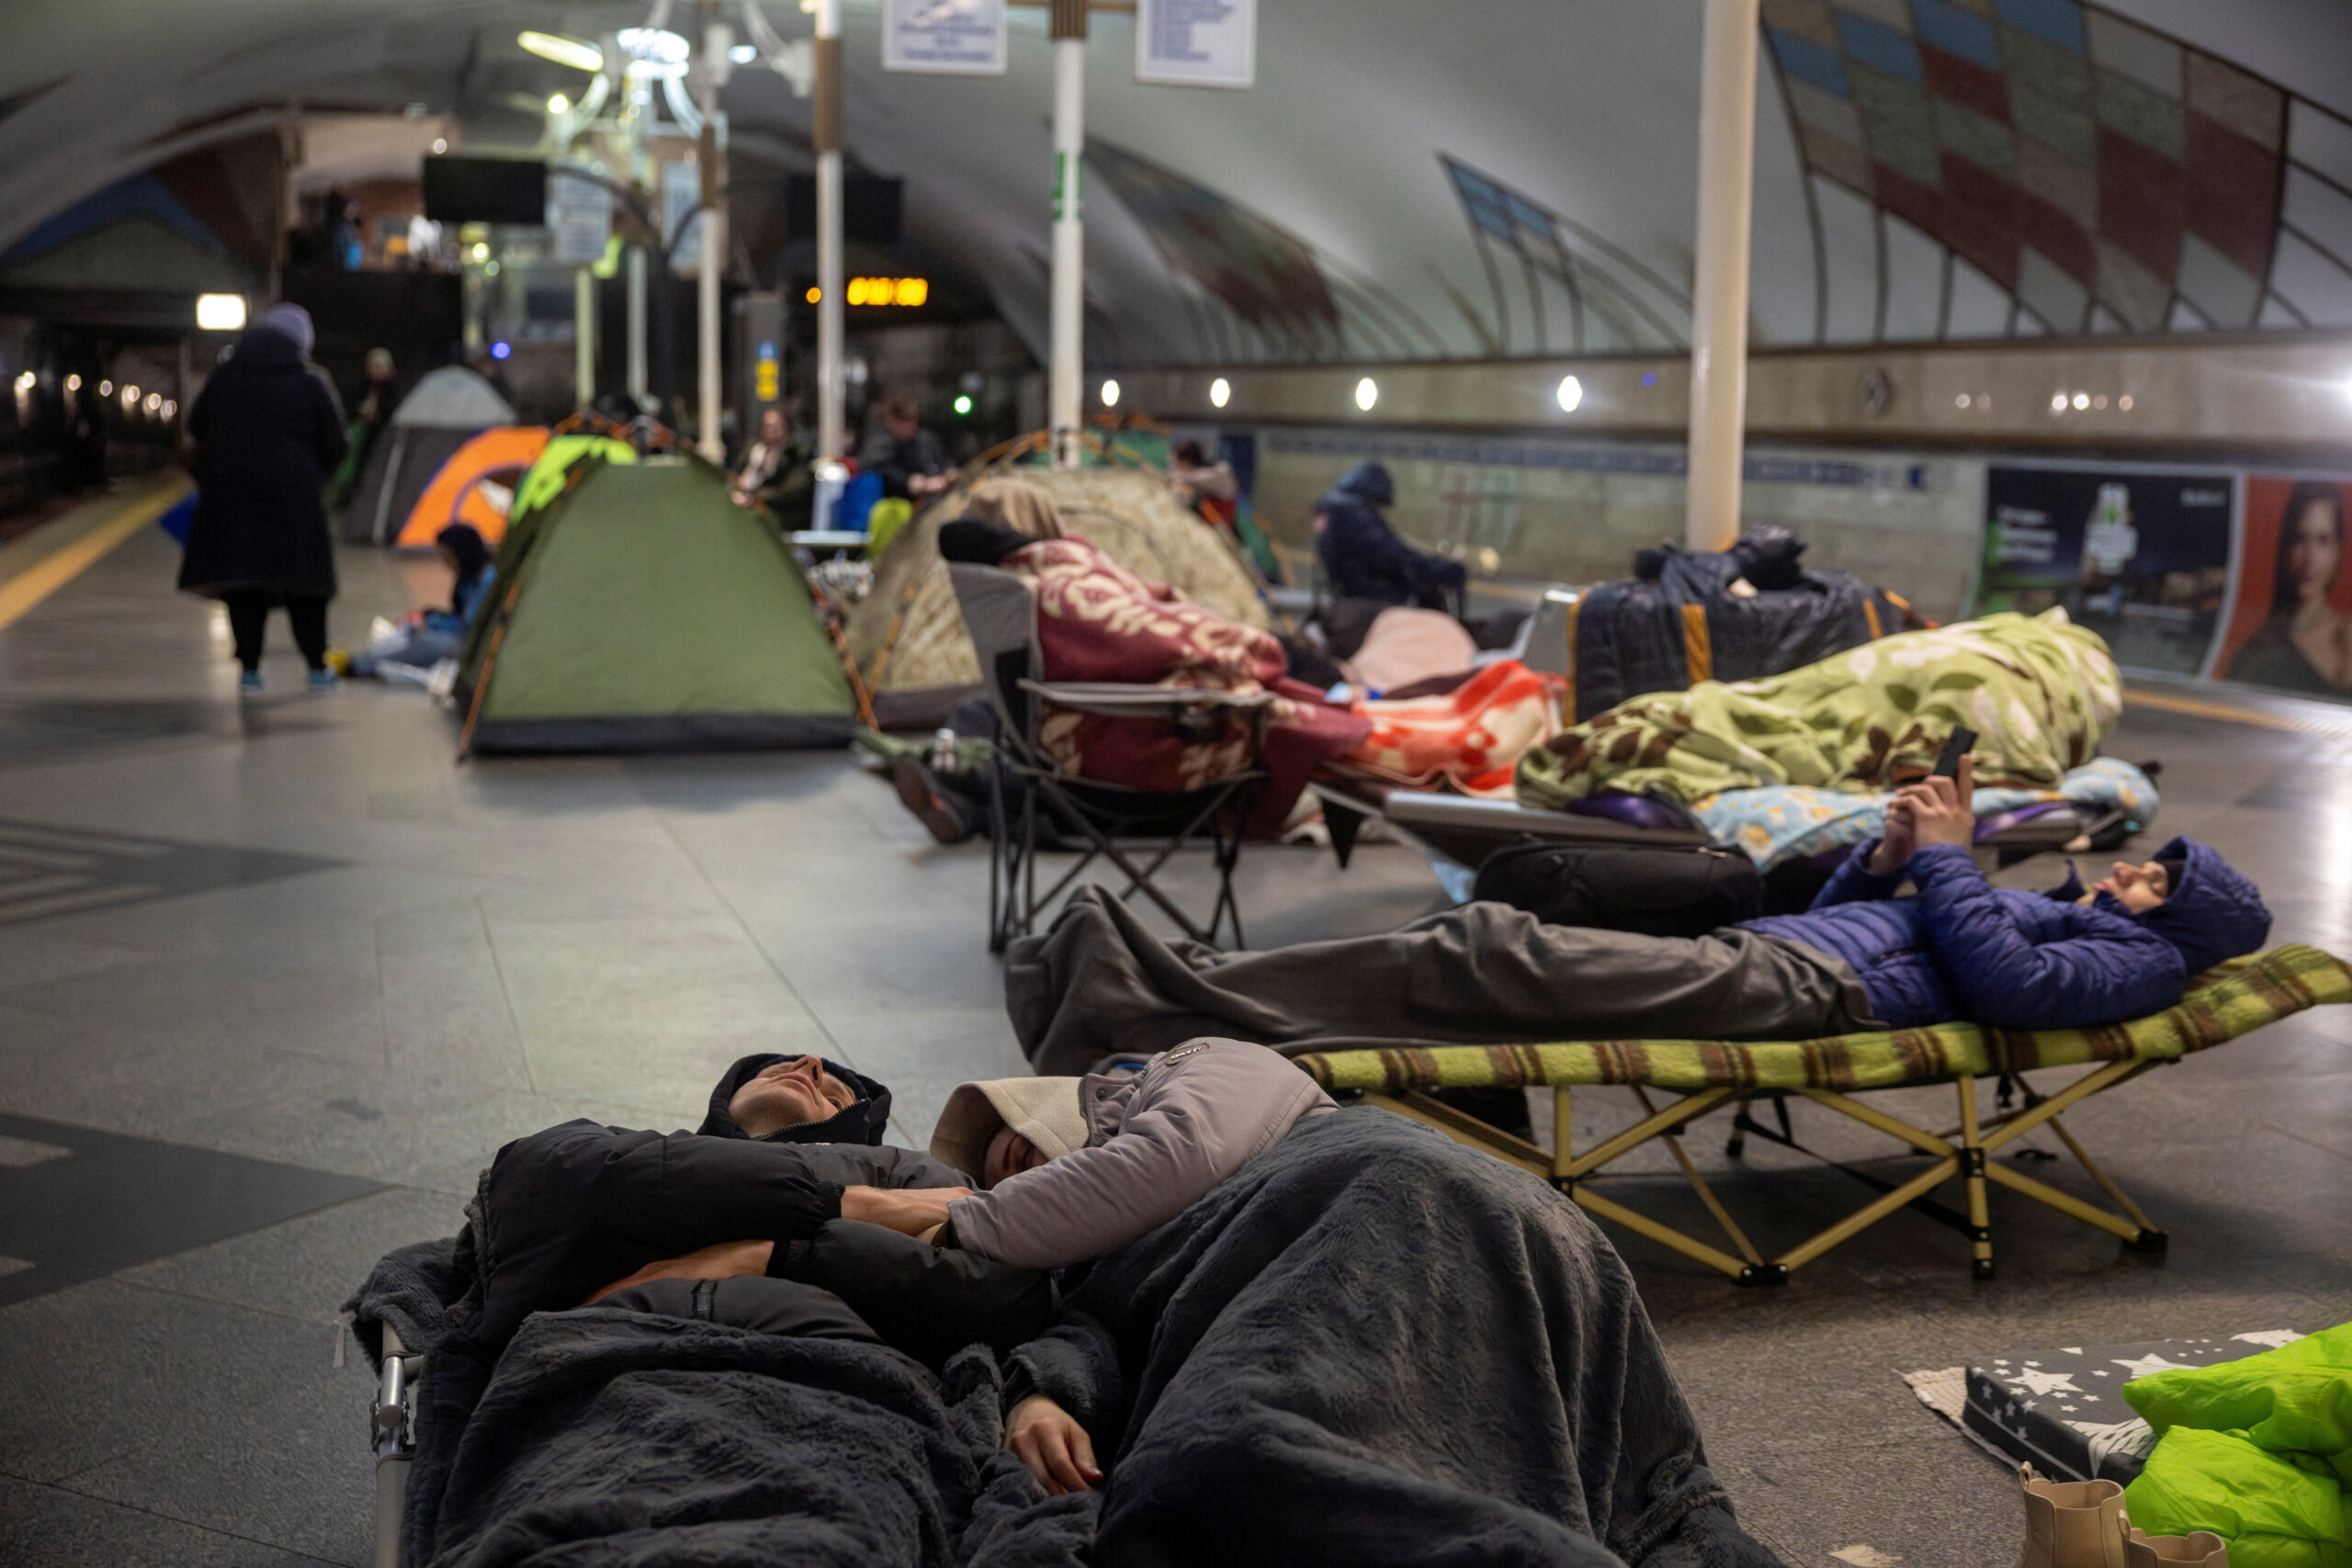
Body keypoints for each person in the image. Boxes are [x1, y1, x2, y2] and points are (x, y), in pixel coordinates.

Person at [1003, 758, 2273, 1073]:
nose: (2127, 876)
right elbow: (1878, 923)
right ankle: (1166, 988)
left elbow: (2009, 992)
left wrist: (1946, 864)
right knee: (1475, 950)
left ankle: (1152, 995)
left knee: (1484, 950)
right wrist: (1886, 859)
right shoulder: (2073, 915)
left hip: (1800, 997)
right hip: (1772, 958)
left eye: (2155, 882)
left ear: (2181, 925)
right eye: (2140, 869)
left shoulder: (2136, 964)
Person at [459, 1052, 1053, 1366]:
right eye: (776, 1068)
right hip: (607, 1377)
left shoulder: (908, 1173)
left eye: (835, 1095)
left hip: (825, 1385)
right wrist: (841, 1205)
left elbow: (1003, 1294)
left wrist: (772, 1255)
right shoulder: (604, 1145)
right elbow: (546, 1175)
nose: (811, 1063)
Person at [914, 1037, 1336, 1272]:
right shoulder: (1101, 1260)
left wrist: (954, 1225)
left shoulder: (1203, 1058)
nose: (1025, 1189)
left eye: (1023, 1156)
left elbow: (1177, 1157)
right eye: (1006, 1189)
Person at [178, 302, 349, 696]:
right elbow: (337, 443)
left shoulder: (224, 378)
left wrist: (214, 476)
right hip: (296, 497)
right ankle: (316, 668)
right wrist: (312, 476)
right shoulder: (311, 381)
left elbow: (195, 430)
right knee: (304, 584)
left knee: (245, 584)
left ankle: (251, 671)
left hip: (233, 496)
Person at [2227, 482, 2352, 694]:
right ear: (2284, 549)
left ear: (2337, 551)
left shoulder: (2346, 632)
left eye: (2323, 540)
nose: (2310, 560)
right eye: (2299, 540)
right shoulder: (2258, 654)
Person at [338, 523, 494, 681]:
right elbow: (459, 616)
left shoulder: (486, 580)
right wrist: (428, 616)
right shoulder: (468, 580)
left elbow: (470, 627)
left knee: (428, 643)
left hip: (473, 646)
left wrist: (432, 621)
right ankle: (367, 660)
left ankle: (361, 664)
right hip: (460, 636)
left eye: (447, 556)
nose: (445, 562)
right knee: (412, 631)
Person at [1313, 460, 1465, 615]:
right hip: (1370, 593)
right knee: (1452, 572)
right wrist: (1423, 563)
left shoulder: (1333, 505)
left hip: (1353, 589)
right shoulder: (1353, 511)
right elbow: (1387, 552)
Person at [858, 393, 951, 502]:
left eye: (910, 420)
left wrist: (947, 474)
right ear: (889, 421)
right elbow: (877, 469)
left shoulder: (924, 440)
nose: (907, 426)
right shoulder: (880, 443)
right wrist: (907, 481)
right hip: (891, 503)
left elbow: (943, 462)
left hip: (931, 500)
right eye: (901, 422)